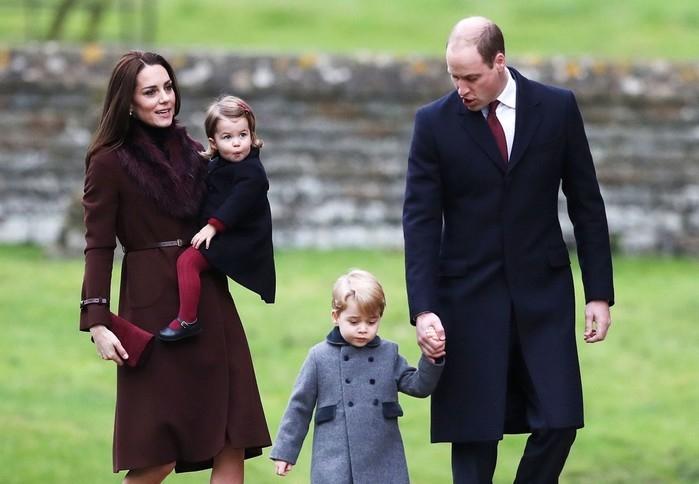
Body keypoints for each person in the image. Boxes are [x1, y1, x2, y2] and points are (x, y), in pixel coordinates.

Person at [402, 16, 614, 483]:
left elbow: (586, 202)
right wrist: (424, 309)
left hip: (543, 294)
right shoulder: (433, 123)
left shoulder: (557, 108)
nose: (461, 88)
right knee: (475, 438)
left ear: (500, 61)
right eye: (453, 77)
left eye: (471, 77)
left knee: (559, 422)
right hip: (467, 300)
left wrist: (598, 292)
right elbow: (419, 222)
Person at [79, 51, 270, 483]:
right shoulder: (108, 161)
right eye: (150, 91)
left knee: (229, 438)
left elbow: (244, 190)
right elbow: (98, 244)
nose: (164, 99)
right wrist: (97, 321)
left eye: (168, 87)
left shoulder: (194, 150)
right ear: (128, 101)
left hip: (208, 296)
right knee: (157, 454)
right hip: (151, 309)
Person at [269, 269, 444, 484]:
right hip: (335, 460)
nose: (363, 329)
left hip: (384, 457)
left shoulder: (389, 353)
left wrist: (431, 359)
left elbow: (418, 386)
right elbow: (299, 407)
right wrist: (285, 452)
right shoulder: (319, 357)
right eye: (354, 322)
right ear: (336, 317)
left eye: (371, 322)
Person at [159, 95, 275, 341]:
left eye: (243, 135)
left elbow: (237, 203)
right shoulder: (217, 165)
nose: (236, 144)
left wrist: (212, 227)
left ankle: (187, 320)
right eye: (227, 137)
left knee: (188, 262)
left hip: (240, 239)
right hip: (225, 234)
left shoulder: (252, 172)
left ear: (252, 135)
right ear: (213, 142)